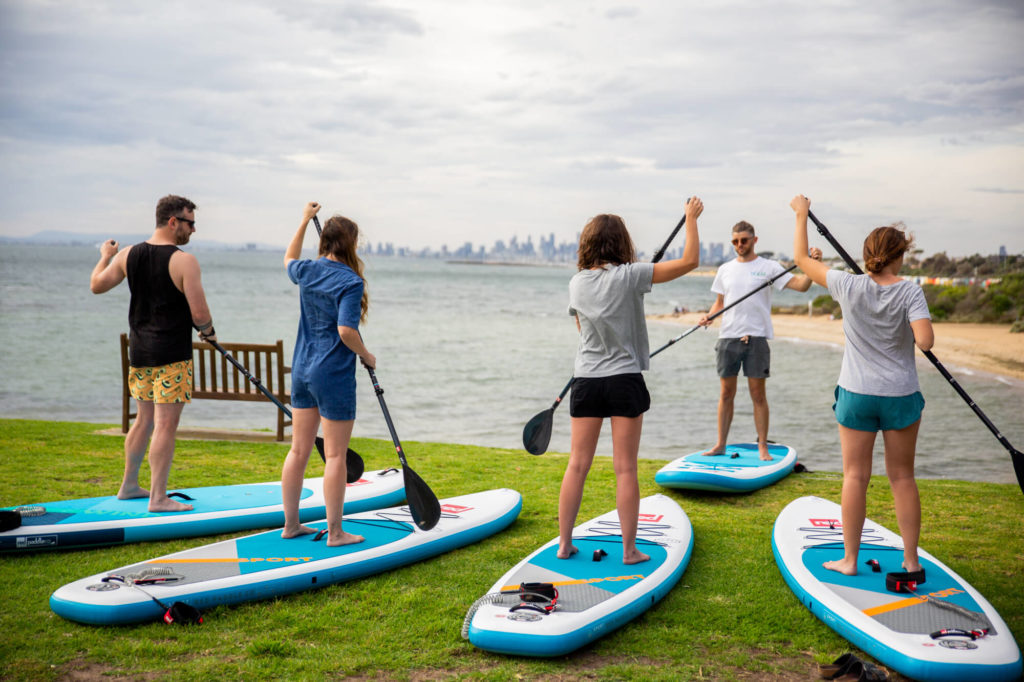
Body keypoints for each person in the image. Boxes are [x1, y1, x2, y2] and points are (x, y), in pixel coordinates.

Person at [790, 194, 933, 577]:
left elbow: (802, 261)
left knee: (855, 476)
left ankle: (850, 561)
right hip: (900, 394)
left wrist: (801, 215)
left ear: (867, 253)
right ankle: (911, 560)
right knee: (902, 477)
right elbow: (926, 342)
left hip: (856, 394)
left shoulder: (846, 285)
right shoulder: (910, 291)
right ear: (899, 256)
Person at [558, 197, 703, 565]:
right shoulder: (633, 275)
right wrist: (690, 218)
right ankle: (628, 551)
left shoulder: (577, 283)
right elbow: (690, 261)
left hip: (587, 380)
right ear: (622, 243)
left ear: (587, 245)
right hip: (624, 380)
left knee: (577, 464)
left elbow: (583, 330)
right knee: (625, 468)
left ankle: (564, 544)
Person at [89, 194, 214, 512]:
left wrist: (106, 256)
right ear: (173, 222)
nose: (193, 230)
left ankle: (129, 485)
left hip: (140, 353)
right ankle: (159, 497)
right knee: (164, 426)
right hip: (172, 355)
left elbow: (97, 285)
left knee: (143, 421)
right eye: (190, 222)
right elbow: (199, 314)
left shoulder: (128, 255)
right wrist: (209, 332)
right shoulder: (185, 261)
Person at [281, 202, 374, 547]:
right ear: (349, 244)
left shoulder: (307, 269)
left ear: (325, 243)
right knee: (335, 455)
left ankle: (291, 525)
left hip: (302, 369)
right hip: (332, 375)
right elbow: (347, 331)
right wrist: (367, 355)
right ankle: (335, 533)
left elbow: (288, 260)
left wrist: (303, 220)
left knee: (298, 451)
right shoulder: (351, 281)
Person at [698, 220, 822, 460]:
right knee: (725, 394)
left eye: (744, 240)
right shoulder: (725, 269)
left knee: (758, 395)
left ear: (754, 240)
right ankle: (721, 444)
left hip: (756, 338)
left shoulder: (769, 267)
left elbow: (802, 286)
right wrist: (709, 316)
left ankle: (763, 446)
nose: (739, 245)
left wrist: (812, 265)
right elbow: (720, 304)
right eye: (735, 241)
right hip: (728, 337)